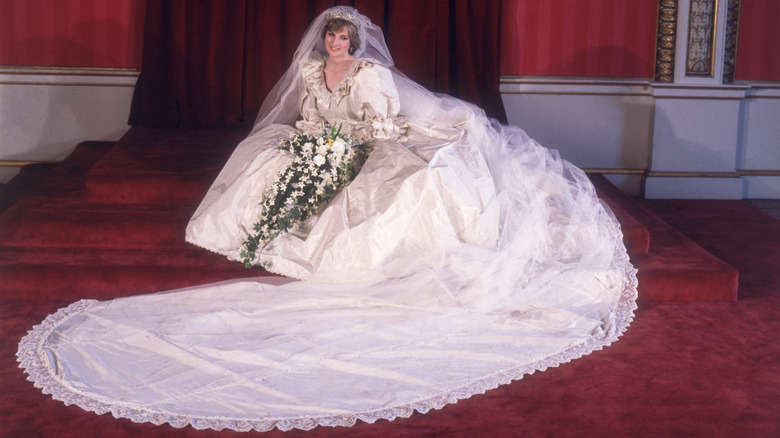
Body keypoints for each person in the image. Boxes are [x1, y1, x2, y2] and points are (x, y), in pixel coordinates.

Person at [18, 7, 637, 432]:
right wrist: (313, 139)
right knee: (265, 155)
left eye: (344, 40)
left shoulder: (371, 75)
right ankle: (265, 233)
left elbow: (379, 123)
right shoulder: (314, 72)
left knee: (393, 181)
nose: (336, 47)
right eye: (331, 40)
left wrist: (345, 143)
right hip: (327, 141)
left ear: (356, 43)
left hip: (369, 139)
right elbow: (308, 112)